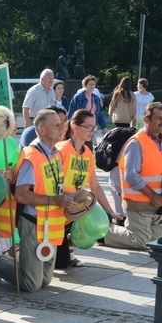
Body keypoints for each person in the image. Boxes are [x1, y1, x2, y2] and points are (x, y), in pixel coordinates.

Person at [0, 109, 75, 292]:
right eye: (56, 125)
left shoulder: (56, 153)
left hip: (50, 224)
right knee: (31, 284)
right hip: (34, 222)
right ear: (41, 130)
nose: (62, 127)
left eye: (62, 123)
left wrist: (71, 198)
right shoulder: (31, 156)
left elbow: (53, 186)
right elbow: (21, 195)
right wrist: (55, 200)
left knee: (45, 281)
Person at [54, 110, 120, 268]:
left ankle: (69, 247)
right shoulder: (61, 149)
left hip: (76, 209)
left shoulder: (88, 153)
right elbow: (51, 183)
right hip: (58, 209)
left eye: (94, 127)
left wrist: (111, 212)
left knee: (102, 219)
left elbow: (95, 186)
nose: (93, 131)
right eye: (88, 127)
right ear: (75, 127)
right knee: (61, 265)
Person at [104, 102, 162, 250]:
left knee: (156, 244)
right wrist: (153, 195)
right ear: (147, 119)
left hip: (159, 205)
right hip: (140, 203)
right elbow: (131, 175)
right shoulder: (136, 142)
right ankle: (101, 232)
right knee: (140, 241)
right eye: (159, 118)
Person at [68, 75, 108, 140]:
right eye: (90, 84)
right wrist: (70, 126)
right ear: (85, 85)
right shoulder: (78, 97)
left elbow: (99, 114)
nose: (92, 86)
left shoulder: (96, 98)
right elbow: (72, 111)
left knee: (89, 146)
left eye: (94, 84)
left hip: (91, 126)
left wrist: (104, 126)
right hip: (81, 125)